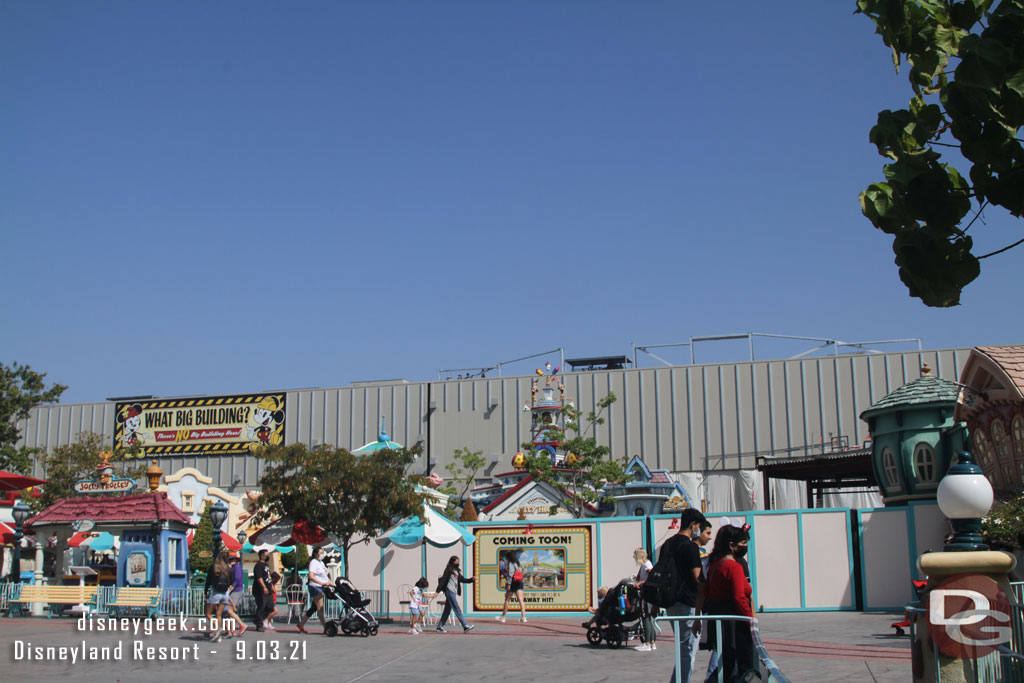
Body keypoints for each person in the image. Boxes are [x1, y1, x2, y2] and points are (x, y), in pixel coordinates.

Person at [703, 525, 755, 683]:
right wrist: (750, 619)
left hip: (719, 622)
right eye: (742, 543)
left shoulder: (714, 565)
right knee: (744, 664)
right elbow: (739, 597)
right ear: (732, 545)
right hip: (736, 624)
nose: (744, 547)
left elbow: (706, 592)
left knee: (726, 663)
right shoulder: (734, 567)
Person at [661, 508, 707, 683]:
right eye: (699, 527)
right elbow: (697, 578)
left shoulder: (667, 544)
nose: (700, 531)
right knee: (688, 651)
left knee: (683, 649)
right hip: (688, 603)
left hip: (671, 603)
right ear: (693, 525)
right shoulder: (690, 547)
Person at [435, 555, 476, 633]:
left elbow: (462, 580)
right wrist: (437, 591)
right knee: (457, 609)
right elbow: (443, 580)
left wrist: (471, 579)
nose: (458, 563)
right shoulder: (448, 570)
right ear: (452, 562)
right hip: (449, 591)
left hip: (453, 592)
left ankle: (440, 626)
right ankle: (465, 626)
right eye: (456, 561)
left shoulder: (457, 571)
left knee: (447, 610)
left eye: (458, 561)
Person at [297, 546, 331, 634]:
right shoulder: (313, 562)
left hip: (321, 587)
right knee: (320, 608)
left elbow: (325, 576)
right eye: (321, 553)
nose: (322, 555)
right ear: (316, 554)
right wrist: (321, 583)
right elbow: (311, 576)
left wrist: (331, 583)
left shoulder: (321, 563)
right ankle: (326, 627)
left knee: (314, 608)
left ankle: (301, 624)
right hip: (315, 587)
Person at [205, 551, 236, 642]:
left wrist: (205, 592)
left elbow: (208, 581)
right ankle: (218, 637)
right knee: (219, 614)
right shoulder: (228, 569)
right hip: (225, 593)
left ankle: (218, 629)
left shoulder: (214, 567)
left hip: (216, 592)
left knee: (209, 614)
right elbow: (232, 580)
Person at [633, 547, 657, 652]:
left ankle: (647, 643)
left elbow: (650, 576)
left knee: (645, 617)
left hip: (647, 593)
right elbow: (640, 576)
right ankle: (652, 642)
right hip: (646, 593)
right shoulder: (644, 564)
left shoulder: (647, 564)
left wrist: (640, 583)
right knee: (647, 618)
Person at [495, 548, 527, 623]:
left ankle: (503, 617)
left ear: (508, 557)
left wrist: (508, 584)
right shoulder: (517, 563)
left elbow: (510, 574)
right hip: (519, 582)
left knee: (507, 600)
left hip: (513, 583)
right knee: (521, 600)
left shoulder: (510, 563)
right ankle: (523, 617)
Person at [251, 549, 273, 632]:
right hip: (260, 590)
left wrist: (272, 585)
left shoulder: (266, 565)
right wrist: (264, 587)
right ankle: (259, 625)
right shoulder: (258, 566)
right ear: (262, 556)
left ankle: (257, 619)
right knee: (261, 606)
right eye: (266, 555)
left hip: (269, 589)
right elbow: (259, 578)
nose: (268, 556)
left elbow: (268, 577)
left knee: (270, 607)